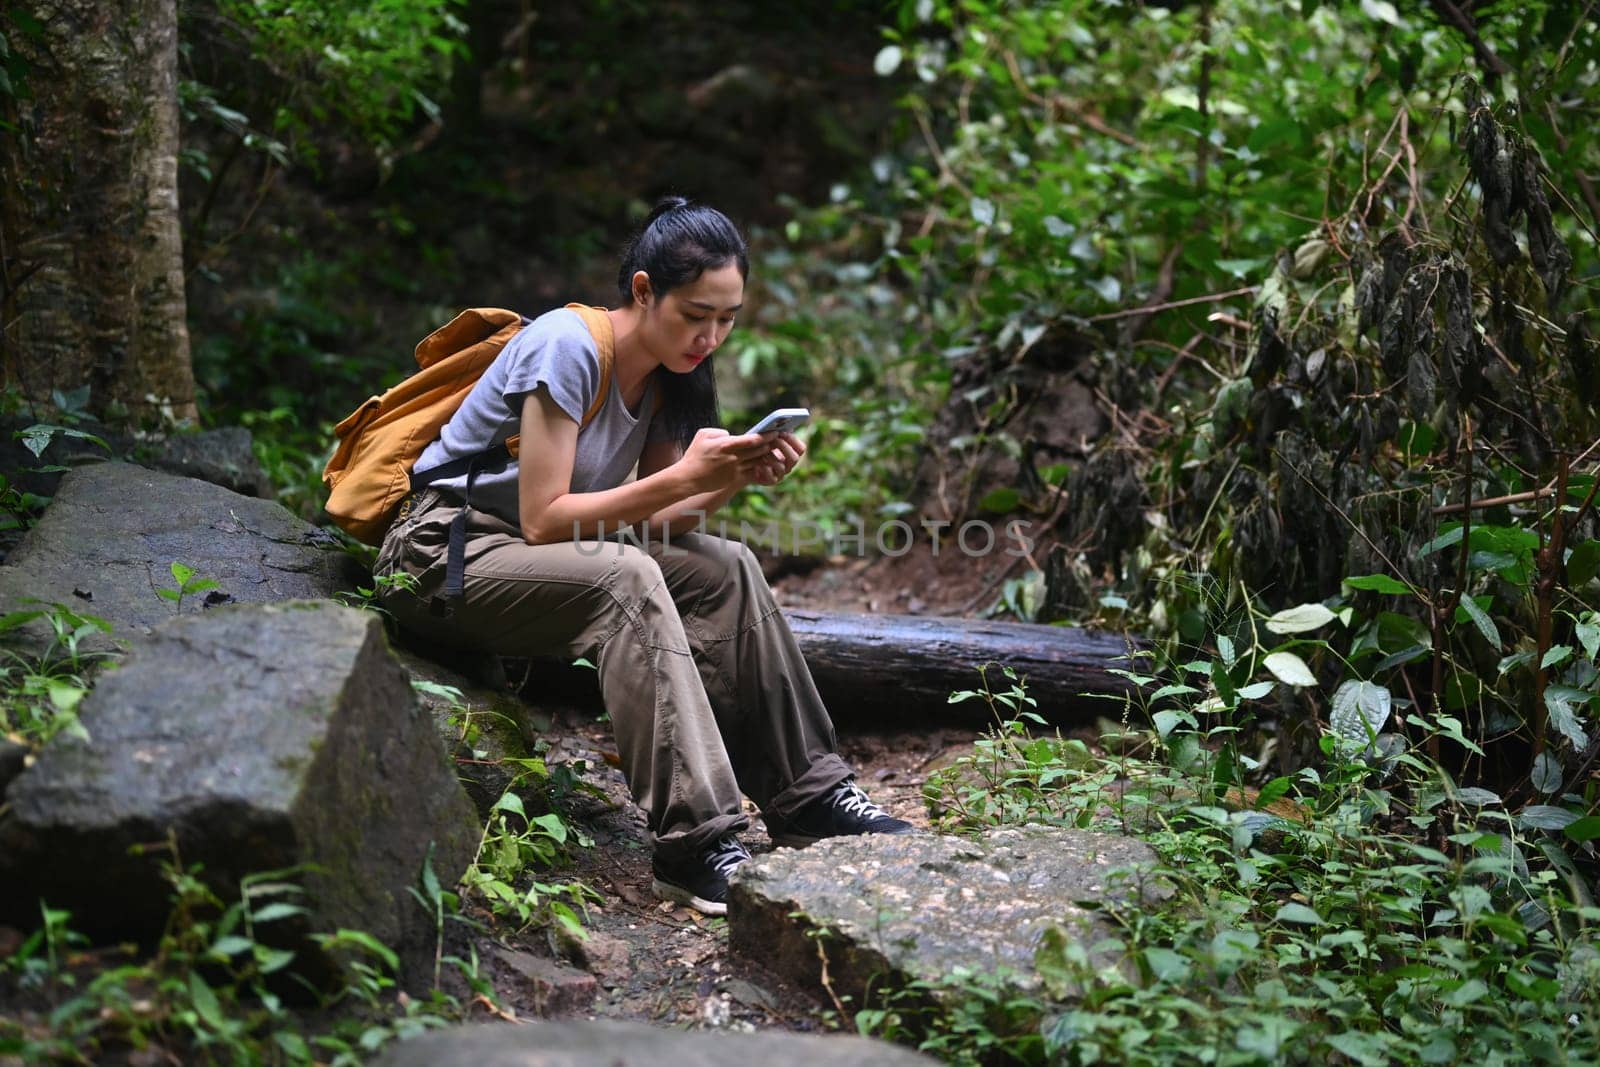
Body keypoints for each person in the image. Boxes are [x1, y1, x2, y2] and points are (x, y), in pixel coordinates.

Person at [374, 196, 912, 915]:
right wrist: (681, 475)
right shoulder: (567, 345)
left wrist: (727, 476)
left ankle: (808, 795)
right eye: (696, 314)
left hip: (527, 549)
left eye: (728, 318)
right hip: (445, 548)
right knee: (626, 578)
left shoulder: (672, 368)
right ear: (643, 290)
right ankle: (694, 842)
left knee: (727, 568)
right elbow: (542, 516)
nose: (711, 336)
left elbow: (665, 516)